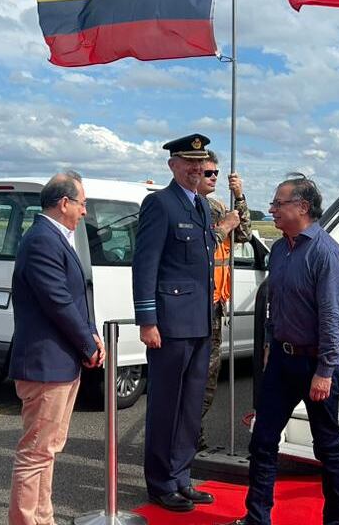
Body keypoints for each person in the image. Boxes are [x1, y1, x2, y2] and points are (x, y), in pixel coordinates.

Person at [230, 176, 339, 525]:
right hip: (281, 361)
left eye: (278, 204)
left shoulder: (325, 252)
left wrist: (325, 371)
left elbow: (332, 317)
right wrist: (270, 342)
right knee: (262, 441)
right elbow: (274, 303)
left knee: (327, 448)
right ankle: (257, 518)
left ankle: (335, 521)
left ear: (303, 207)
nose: (271, 210)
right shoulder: (280, 250)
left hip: (315, 364)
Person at [7, 171, 105, 525]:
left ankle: (42, 518)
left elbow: (77, 296)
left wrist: (91, 334)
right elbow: (58, 301)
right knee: (35, 453)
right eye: (82, 203)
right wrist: (87, 344)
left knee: (46, 451)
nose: (85, 211)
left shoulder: (55, 238)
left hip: (60, 362)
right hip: (45, 363)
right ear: (64, 203)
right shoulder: (42, 240)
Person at [132, 133, 219, 512]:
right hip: (169, 325)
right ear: (173, 165)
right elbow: (145, 265)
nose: (196, 169)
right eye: (189, 163)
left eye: (201, 163)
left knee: (190, 407)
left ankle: (182, 476)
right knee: (166, 406)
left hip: (200, 322)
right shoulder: (160, 204)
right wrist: (147, 320)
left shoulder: (201, 205)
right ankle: (160, 483)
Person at [196, 150, 252, 451]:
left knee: (209, 378)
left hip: (216, 304)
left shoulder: (217, 205)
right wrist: (224, 226)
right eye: (208, 173)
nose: (214, 177)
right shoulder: (191, 207)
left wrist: (239, 197)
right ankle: (187, 437)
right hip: (197, 305)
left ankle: (192, 434)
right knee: (196, 378)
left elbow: (244, 234)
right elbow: (198, 247)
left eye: (216, 173)